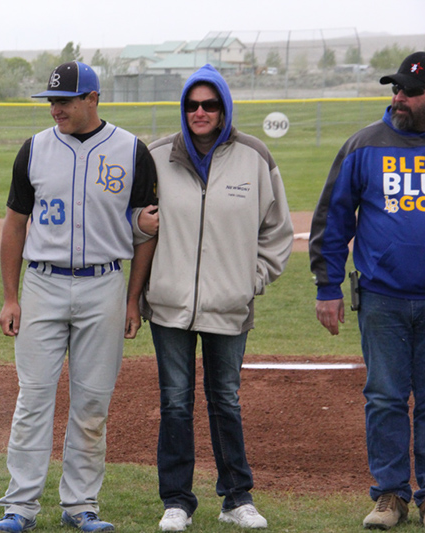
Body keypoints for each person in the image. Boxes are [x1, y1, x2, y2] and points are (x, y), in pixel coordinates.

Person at [0, 61, 158, 533]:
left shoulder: (130, 150)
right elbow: (14, 225)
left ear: (93, 99)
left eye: (64, 100)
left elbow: (145, 232)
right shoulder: (35, 149)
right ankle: (19, 507)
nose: (55, 109)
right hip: (42, 283)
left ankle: (81, 504)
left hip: (105, 283)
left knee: (92, 403)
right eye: (51, 101)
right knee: (34, 398)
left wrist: (132, 300)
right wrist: (10, 296)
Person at [140, 64, 293, 531]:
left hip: (229, 305)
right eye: (191, 105)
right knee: (176, 402)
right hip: (169, 305)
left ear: (224, 107)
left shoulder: (255, 156)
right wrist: (136, 227)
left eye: (209, 104)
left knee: (225, 399)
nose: (200, 112)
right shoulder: (156, 155)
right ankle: (177, 502)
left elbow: (278, 230)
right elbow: (132, 218)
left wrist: (253, 280)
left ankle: (236, 499)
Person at [310, 51, 425, 530]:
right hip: (382, 297)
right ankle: (390, 496)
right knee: (384, 397)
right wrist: (327, 286)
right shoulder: (364, 146)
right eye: (394, 89)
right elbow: (332, 218)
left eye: (409, 92)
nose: (398, 98)